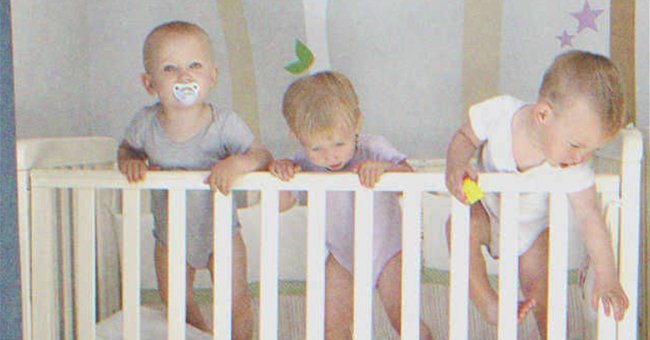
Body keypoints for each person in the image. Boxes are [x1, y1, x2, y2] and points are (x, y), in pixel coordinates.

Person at [444, 50, 629, 338]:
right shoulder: (501, 113)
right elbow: (465, 137)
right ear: (543, 114)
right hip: (489, 212)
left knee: (543, 288)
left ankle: (551, 334)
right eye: (576, 145)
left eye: (592, 151)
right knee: (459, 226)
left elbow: (590, 216)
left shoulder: (572, 167)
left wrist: (607, 276)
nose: (581, 158)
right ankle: (488, 303)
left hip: (532, 231)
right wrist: (456, 166)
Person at [118, 21, 271, 338]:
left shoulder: (224, 124)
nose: (184, 76)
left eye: (194, 66)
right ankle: (203, 334)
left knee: (235, 300)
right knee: (177, 303)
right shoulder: (145, 124)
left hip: (221, 234)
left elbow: (261, 156)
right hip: (169, 237)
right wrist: (131, 161)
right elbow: (127, 148)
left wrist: (237, 162)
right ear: (150, 83)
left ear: (211, 76)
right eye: (170, 68)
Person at [270, 71, 434, 340]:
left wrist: (385, 170)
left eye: (339, 143)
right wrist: (280, 174)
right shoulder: (304, 163)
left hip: (389, 250)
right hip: (342, 254)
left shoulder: (372, 148)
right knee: (331, 326)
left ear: (357, 124)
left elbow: (409, 180)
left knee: (405, 321)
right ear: (298, 136)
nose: (330, 155)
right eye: (317, 148)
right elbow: (282, 203)